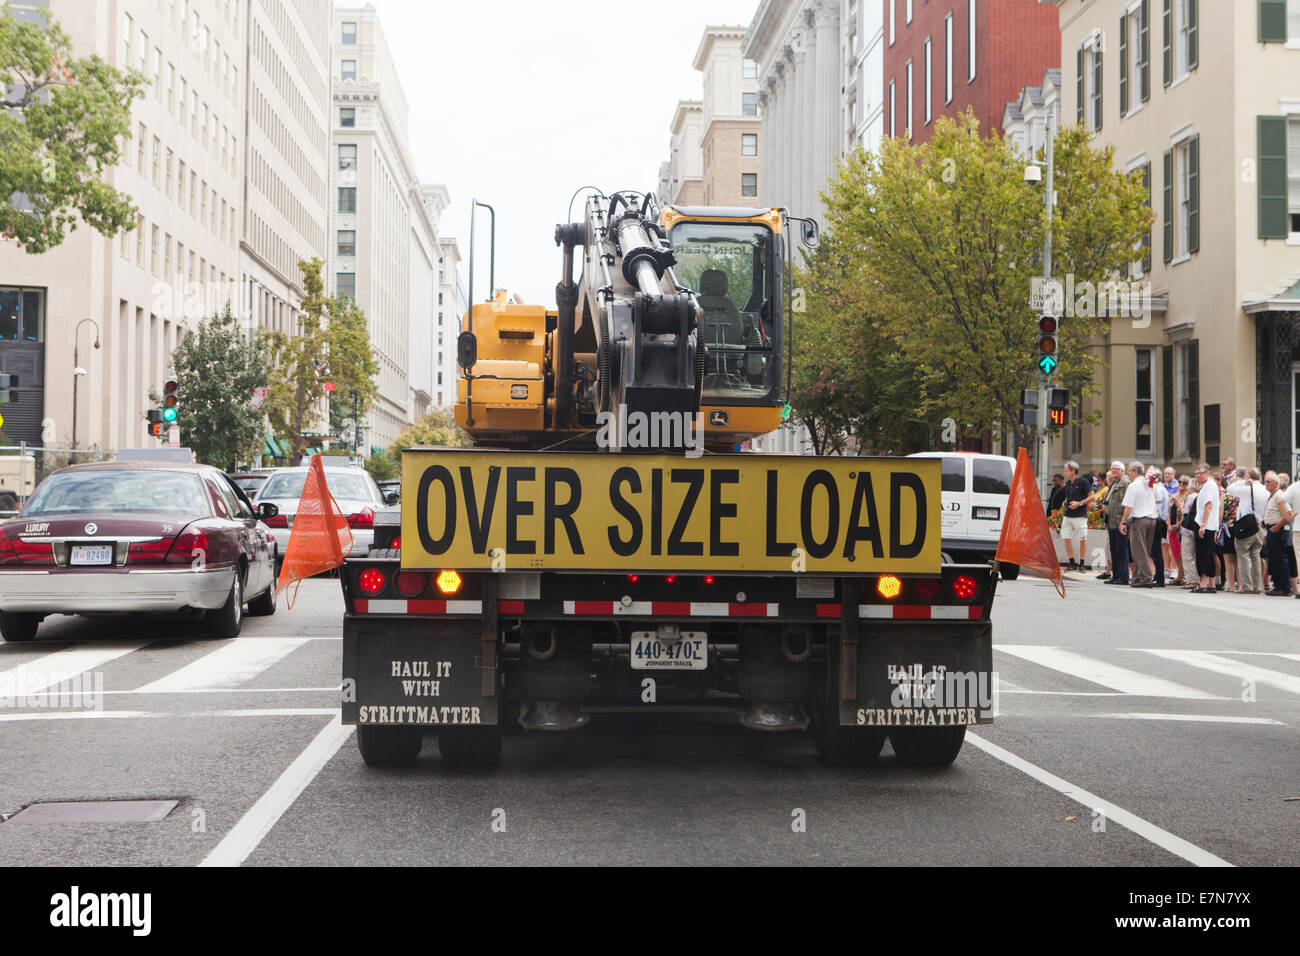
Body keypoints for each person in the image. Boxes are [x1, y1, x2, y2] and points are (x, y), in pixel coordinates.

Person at [1226, 466, 1266, 594]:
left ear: (1248, 477)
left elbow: (1229, 489)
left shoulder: (1246, 489)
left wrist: (1243, 482)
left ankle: (1247, 586)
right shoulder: (1264, 488)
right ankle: (1258, 586)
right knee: (1255, 556)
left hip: (1247, 526)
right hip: (1260, 527)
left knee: (1242, 555)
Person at [1119, 460, 1158, 587]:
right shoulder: (1149, 484)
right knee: (1144, 549)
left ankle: (1145, 577)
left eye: (1129, 470)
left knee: (1138, 550)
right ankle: (1137, 575)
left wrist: (1123, 522)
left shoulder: (1134, 486)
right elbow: (1159, 500)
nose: (1128, 473)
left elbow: (1128, 507)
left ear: (1135, 472)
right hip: (1151, 519)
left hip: (1139, 520)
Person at [1192, 463, 1222, 593]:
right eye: (1196, 473)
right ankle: (1211, 583)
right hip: (1210, 525)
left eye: (1200, 473)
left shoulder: (1209, 486)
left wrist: (1202, 525)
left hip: (1205, 525)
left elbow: (1208, 506)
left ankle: (1203, 583)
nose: (1197, 476)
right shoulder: (1209, 485)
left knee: (1203, 554)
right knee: (1209, 554)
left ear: (1207, 473)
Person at [1262, 471, 1292, 596]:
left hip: (1278, 531)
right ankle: (1278, 585)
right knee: (1274, 559)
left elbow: (1289, 515)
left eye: (1268, 481)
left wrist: (1277, 526)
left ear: (1276, 483)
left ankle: (1283, 587)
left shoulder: (1279, 496)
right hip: (1271, 530)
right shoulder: (1273, 495)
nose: (1265, 484)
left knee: (1280, 558)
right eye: (1265, 481)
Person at [1061, 460, 1093, 572]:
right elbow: (1069, 495)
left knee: (1082, 539)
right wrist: (1065, 501)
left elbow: (1091, 496)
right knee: (1066, 538)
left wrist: (1079, 503)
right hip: (1068, 515)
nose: (1064, 473)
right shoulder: (1068, 483)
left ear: (1073, 471)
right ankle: (1072, 563)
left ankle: (1082, 564)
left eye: (1066, 471)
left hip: (1080, 515)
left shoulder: (1083, 482)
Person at [1102, 460, 1130, 584]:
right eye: (1112, 469)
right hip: (1111, 521)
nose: (1114, 471)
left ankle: (1123, 576)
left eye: (1116, 469)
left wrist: (1123, 522)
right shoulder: (1113, 483)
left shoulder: (1125, 483)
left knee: (1121, 550)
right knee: (1114, 550)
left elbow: (1127, 504)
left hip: (1119, 522)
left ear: (1122, 471)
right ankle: (1116, 575)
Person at [1148, 468, 1169, 587]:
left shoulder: (1158, 489)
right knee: (1154, 551)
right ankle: (1156, 575)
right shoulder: (1158, 488)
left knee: (1156, 551)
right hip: (1157, 520)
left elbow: (1158, 508)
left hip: (1157, 521)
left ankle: (1159, 577)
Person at [1161, 467, 1178, 576]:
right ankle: (1166, 567)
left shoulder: (1177, 486)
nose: (1166, 475)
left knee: (1172, 544)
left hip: (1173, 518)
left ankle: (1173, 568)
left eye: (1169, 473)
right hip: (1163, 518)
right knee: (1164, 544)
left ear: (1173, 474)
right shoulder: (1162, 486)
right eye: (1165, 473)